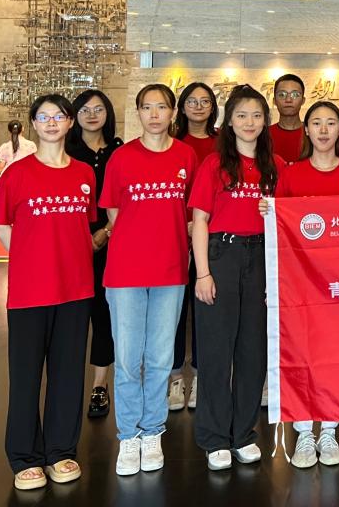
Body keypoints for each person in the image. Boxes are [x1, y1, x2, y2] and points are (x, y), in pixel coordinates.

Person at [0, 94, 95, 491]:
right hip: (29, 292)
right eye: (43, 116)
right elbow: (1, 223)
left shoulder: (84, 173)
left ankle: (60, 451)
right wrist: (27, 256)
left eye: (59, 116)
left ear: (69, 123)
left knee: (68, 374)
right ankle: (24, 456)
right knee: (26, 375)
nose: (51, 123)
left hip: (75, 289)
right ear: (34, 123)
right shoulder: (17, 173)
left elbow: (85, 225)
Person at [100, 84, 198, 476]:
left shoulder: (186, 155)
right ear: (138, 112)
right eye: (147, 107)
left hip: (170, 271)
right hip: (125, 272)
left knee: (159, 357)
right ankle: (128, 435)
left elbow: (192, 211)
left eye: (161, 107)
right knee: (128, 358)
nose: (154, 114)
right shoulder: (122, 157)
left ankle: (152, 430)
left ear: (173, 112)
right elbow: (112, 211)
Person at [268, 100, 339, 469]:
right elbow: (279, 230)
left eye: (330, 123)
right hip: (301, 284)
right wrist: (268, 212)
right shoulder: (292, 174)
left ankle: (329, 430)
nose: (323, 130)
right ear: (306, 130)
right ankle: (303, 432)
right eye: (316, 123)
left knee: (337, 356)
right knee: (302, 355)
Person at [189, 85, 284, 471]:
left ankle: (243, 433)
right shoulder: (215, 164)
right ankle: (214, 437)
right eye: (242, 115)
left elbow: (288, 219)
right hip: (221, 255)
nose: (249, 122)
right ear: (229, 121)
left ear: (265, 121)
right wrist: (203, 273)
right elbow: (199, 220)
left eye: (257, 115)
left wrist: (273, 211)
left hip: (261, 258)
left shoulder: (275, 165)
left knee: (252, 350)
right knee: (216, 351)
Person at [65, 89, 124, 420]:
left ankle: (100, 385)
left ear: (108, 114)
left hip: (110, 243)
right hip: (70, 245)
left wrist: (105, 232)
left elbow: (125, 198)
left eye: (98, 109)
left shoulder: (119, 151)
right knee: (73, 316)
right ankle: (69, 384)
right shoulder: (66, 150)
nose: (91, 115)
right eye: (84, 109)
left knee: (103, 314)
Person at [170, 82, 220, 413]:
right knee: (174, 311)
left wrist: (201, 226)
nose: (198, 106)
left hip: (212, 237)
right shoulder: (172, 142)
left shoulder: (223, 143)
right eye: (192, 101)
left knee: (206, 309)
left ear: (213, 107)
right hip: (173, 237)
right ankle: (175, 377)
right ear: (182, 107)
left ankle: (202, 375)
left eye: (205, 101)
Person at [269, 73, 306, 164]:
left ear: (303, 100)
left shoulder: (313, 133)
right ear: (274, 101)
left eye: (295, 94)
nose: (288, 100)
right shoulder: (263, 135)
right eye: (282, 94)